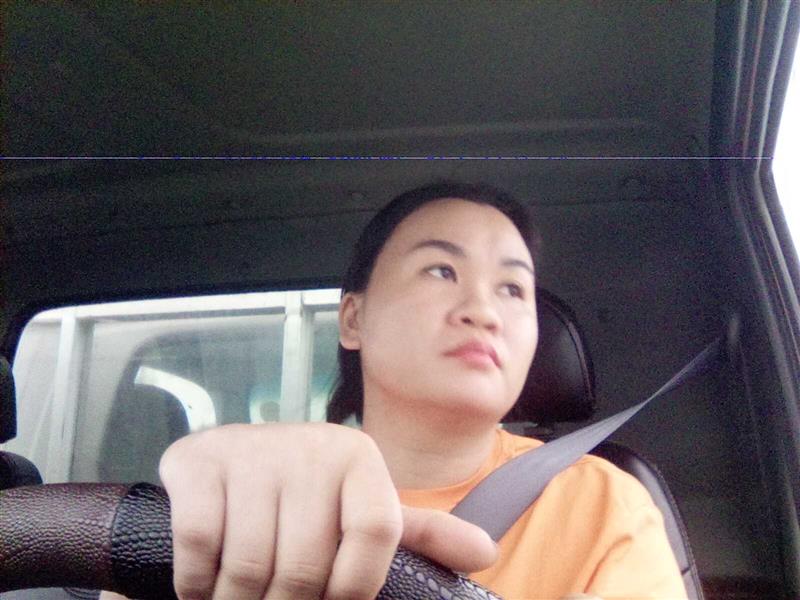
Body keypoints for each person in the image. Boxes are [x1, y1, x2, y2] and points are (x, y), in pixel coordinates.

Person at [102, 182, 687, 600]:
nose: (484, 310)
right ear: (353, 318)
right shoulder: (255, 492)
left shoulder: (602, 503)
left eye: (513, 288)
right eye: (441, 270)